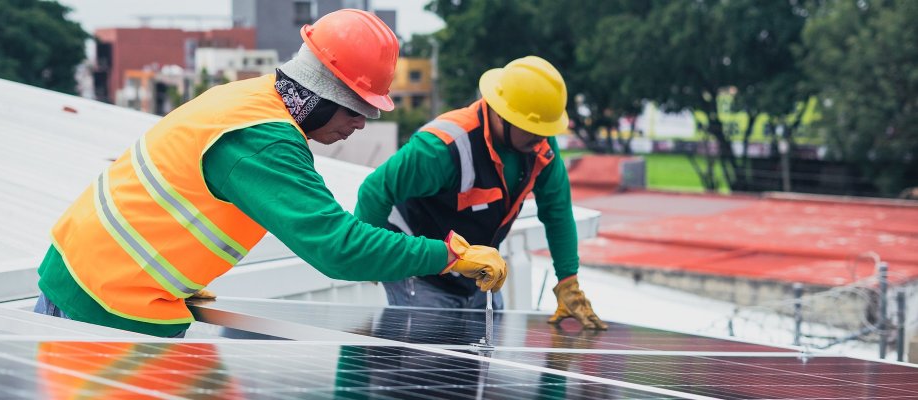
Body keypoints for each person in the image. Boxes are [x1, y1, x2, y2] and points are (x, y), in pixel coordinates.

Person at [32, 9, 507, 337]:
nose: (361, 124)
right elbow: (337, 249)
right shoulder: (264, 141)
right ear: (325, 92)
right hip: (103, 303)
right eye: (358, 108)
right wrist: (449, 255)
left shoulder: (251, 99)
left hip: (95, 279)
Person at [354, 55, 608, 330]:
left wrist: (568, 281)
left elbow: (557, 212)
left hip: (479, 271)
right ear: (502, 114)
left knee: (480, 358)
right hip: (422, 272)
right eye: (534, 129)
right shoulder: (442, 147)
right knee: (429, 359)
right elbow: (375, 190)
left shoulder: (540, 150)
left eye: (546, 130)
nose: (542, 138)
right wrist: (371, 257)